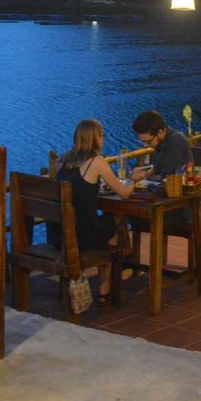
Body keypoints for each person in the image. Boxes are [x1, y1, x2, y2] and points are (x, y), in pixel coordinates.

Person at [55, 119, 133, 304]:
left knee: (106, 222)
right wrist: (134, 179)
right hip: (82, 237)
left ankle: (121, 258)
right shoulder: (97, 162)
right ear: (95, 139)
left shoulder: (61, 160)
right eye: (101, 135)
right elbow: (124, 193)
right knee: (114, 221)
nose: (103, 139)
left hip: (59, 234)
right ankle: (104, 288)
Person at [130, 110, 193, 182]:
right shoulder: (161, 141)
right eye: (143, 141)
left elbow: (168, 176)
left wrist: (144, 176)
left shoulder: (175, 139)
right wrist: (144, 172)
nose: (145, 145)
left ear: (160, 132)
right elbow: (158, 167)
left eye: (148, 141)